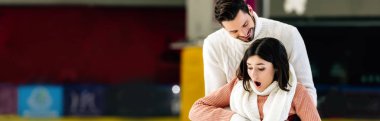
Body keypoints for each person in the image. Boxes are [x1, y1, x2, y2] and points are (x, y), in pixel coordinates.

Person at [203, 0, 317, 105]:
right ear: (223, 28)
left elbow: (307, 91)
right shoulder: (213, 45)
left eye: (245, 24)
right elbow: (215, 101)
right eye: (234, 31)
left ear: (250, 10)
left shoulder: (288, 34)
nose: (243, 33)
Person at [190, 37, 321, 121]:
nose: (253, 75)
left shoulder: (296, 92)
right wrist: (234, 119)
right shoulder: (239, 85)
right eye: (249, 67)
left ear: (276, 68)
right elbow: (196, 109)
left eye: (261, 68)